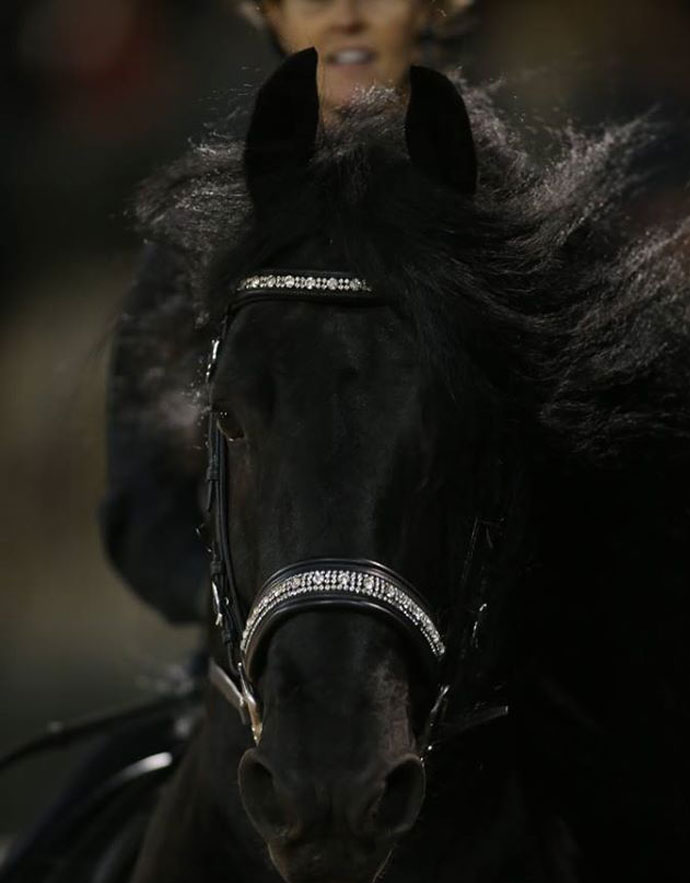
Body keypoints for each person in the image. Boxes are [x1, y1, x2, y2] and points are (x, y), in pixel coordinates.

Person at [101, 0, 475, 625]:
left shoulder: (517, 220)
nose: (347, 17)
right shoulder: (200, 238)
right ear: (271, 16)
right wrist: (257, 625)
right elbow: (144, 513)